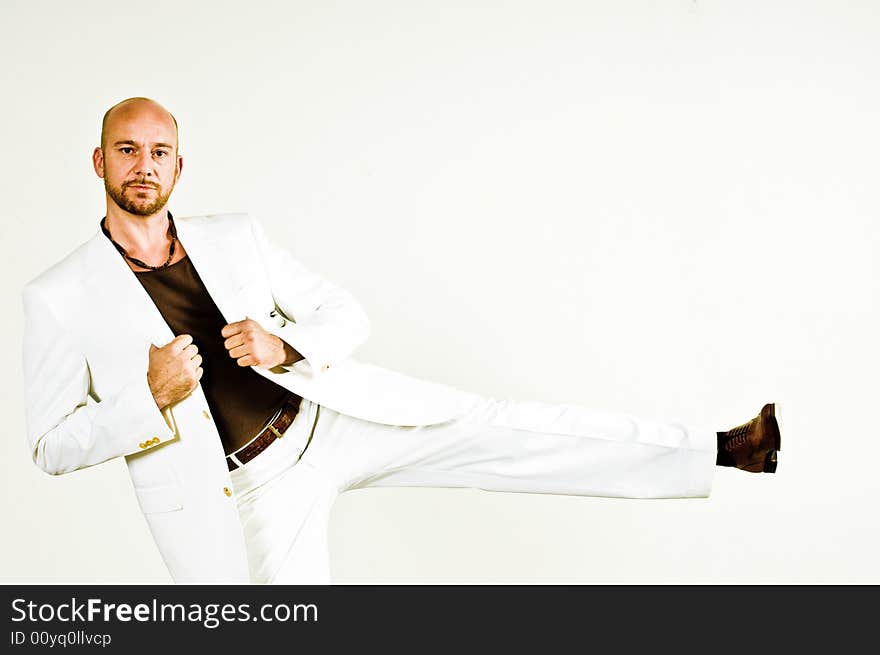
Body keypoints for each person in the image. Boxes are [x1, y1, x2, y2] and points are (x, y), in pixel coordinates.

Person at [21, 97, 781, 584]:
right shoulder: (57, 297)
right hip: (247, 494)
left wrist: (285, 345)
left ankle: (718, 448)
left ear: (180, 165)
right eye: (127, 150)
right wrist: (147, 398)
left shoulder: (236, 237)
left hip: (332, 420)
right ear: (99, 161)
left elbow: (346, 314)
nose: (144, 167)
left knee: (509, 429)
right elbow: (50, 445)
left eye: (159, 152)